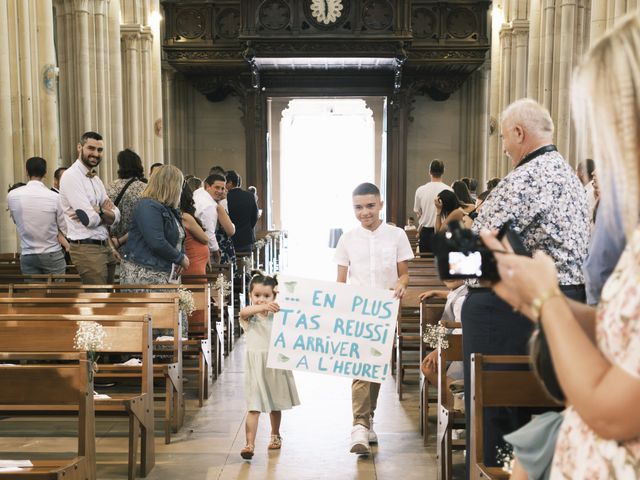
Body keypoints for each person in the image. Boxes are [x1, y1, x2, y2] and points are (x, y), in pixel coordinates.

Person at [484, 15, 640, 480]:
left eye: (607, 123)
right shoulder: (568, 178)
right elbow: (624, 334)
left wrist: (550, 301)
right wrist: (543, 303)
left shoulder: (529, 177)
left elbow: (614, 412)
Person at [460, 98, 590, 476]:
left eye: (503, 137)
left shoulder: (525, 178)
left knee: (497, 412)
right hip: (566, 303)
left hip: (512, 313)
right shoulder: (567, 175)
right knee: (546, 408)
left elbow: (476, 250)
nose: (503, 147)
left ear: (519, 133)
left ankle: (493, 466)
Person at [334, 182, 414, 455]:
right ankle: (358, 424)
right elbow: (340, 281)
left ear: (380, 204)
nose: (364, 212)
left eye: (370, 206)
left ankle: (368, 421)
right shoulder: (347, 239)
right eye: (358, 207)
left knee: (376, 368)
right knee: (361, 365)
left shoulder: (397, 235)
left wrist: (402, 284)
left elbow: (403, 273)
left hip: (386, 309)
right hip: (358, 309)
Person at [238, 273, 300, 460]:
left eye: (266, 296)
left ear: (274, 296)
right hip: (256, 367)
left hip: (274, 365)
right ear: (250, 295)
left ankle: (275, 434)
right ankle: (249, 444)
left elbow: (296, 312)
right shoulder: (250, 317)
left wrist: (286, 296)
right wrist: (262, 306)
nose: (261, 299)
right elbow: (243, 312)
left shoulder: (278, 315)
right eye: (257, 295)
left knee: (275, 404)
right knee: (253, 406)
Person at [59, 131, 120, 284]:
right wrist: (104, 214)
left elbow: (117, 216)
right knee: (98, 300)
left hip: (105, 245)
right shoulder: (71, 176)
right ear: (80, 147)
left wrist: (98, 210)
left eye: (99, 150)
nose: (96, 153)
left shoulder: (96, 179)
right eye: (91, 148)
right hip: (86, 248)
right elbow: (89, 220)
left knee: (110, 299)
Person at [120, 165, 189, 285]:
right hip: (146, 272)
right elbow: (156, 241)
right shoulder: (148, 206)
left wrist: (180, 256)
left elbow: (178, 239)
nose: (181, 190)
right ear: (171, 185)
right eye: (180, 185)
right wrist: (180, 258)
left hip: (164, 270)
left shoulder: (169, 209)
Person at [7, 156, 67, 275]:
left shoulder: (12, 195)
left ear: (27, 172)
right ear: (45, 173)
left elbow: (16, 220)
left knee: (33, 292)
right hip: (51, 252)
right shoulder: (54, 197)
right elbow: (63, 226)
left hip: (28, 253)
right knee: (57, 291)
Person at [419, 280, 467, 408]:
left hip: (458, 345)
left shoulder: (463, 298)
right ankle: (454, 405)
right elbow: (452, 295)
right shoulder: (458, 291)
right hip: (447, 337)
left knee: (427, 366)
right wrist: (436, 292)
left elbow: (459, 330)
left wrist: (439, 349)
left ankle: (457, 409)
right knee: (428, 358)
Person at [107, 149, 147, 254]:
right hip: (137, 245)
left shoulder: (109, 187)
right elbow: (145, 223)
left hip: (112, 245)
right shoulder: (145, 190)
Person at [413, 159, 453, 253]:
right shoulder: (450, 190)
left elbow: (417, 211)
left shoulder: (420, 190)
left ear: (429, 171)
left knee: (424, 264)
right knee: (441, 264)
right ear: (443, 171)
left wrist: (424, 216)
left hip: (426, 232)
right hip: (443, 231)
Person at [180, 183, 210, 277]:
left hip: (195, 263)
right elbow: (205, 238)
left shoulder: (184, 215)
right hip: (192, 265)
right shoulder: (185, 217)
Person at [226, 170, 258, 254]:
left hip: (229, 239)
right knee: (246, 265)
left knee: (231, 265)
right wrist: (247, 227)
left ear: (229, 183)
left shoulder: (225, 198)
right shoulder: (249, 196)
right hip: (246, 238)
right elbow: (254, 216)